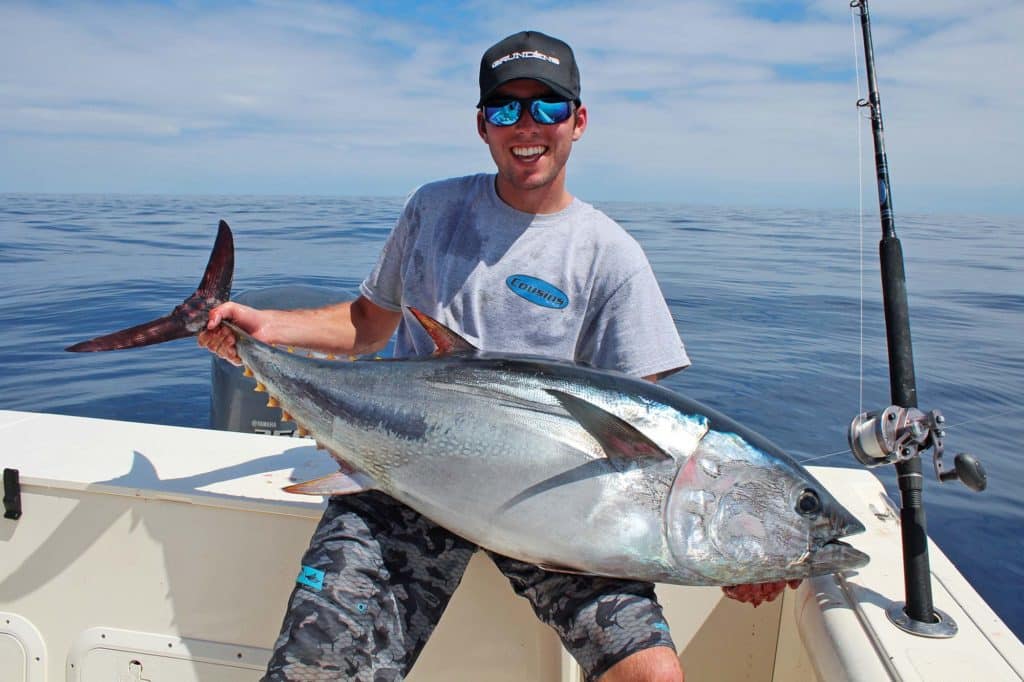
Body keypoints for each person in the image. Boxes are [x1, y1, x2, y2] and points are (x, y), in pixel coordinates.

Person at [199, 29, 795, 682]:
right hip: (404, 478)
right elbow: (369, 325)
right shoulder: (433, 210)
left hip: (559, 518)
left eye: (548, 106)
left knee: (653, 677)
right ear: (483, 125)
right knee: (313, 671)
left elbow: (643, 450)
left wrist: (737, 553)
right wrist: (263, 329)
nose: (527, 125)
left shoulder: (610, 257)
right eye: (507, 108)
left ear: (579, 121)